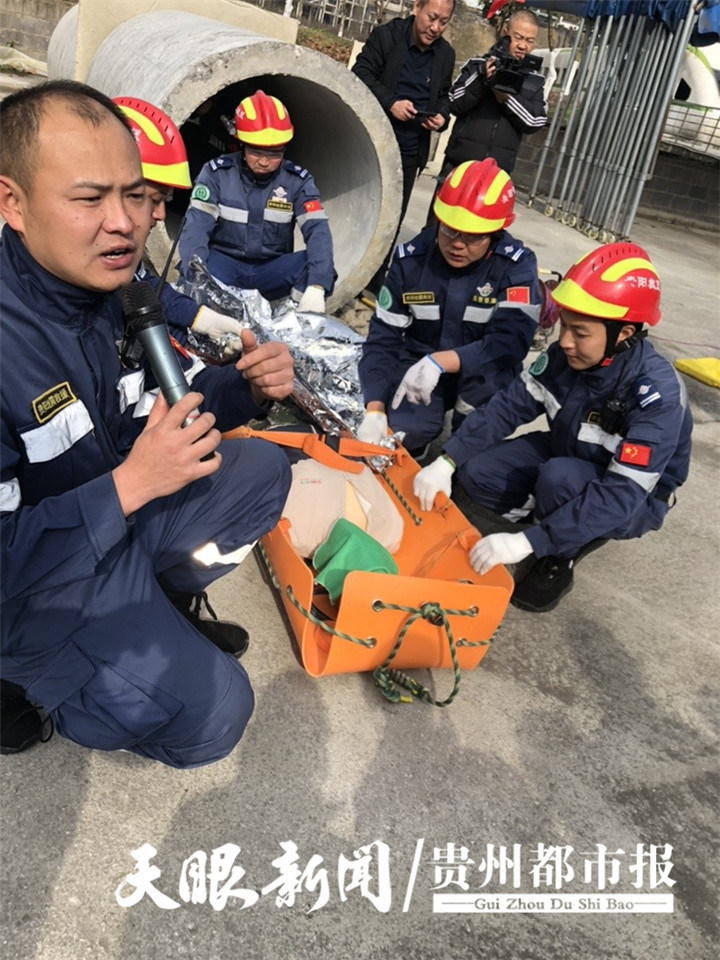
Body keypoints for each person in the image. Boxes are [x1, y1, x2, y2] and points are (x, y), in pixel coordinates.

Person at [0, 80, 295, 764]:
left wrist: (240, 391)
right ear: (12, 201)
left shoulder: (111, 294)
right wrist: (130, 487)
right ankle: (22, 678)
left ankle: (156, 605)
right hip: (31, 584)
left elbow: (156, 414)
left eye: (136, 195)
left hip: (108, 524)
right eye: (89, 198)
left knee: (261, 469)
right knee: (216, 716)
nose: (127, 221)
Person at [413, 243, 693, 613]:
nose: (564, 341)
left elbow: (623, 493)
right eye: (563, 326)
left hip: (634, 496)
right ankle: (551, 518)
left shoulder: (656, 397)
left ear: (623, 334)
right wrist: (447, 461)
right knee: (478, 473)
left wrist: (531, 541)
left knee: (559, 480)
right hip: (568, 448)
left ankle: (561, 554)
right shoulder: (563, 358)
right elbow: (507, 407)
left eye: (580, 332)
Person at [356, 158, 541, 456]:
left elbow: (510, 343)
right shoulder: (411, 260)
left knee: (475, 443)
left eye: (473, 236)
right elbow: (382, 340)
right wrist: (375, 408)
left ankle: (460, 452)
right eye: (450, 230)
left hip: (484, 371)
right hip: (419, 363)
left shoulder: (516, 267)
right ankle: (423, 436)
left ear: (495, 232)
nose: (457, 243)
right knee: (403, 432)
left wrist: (442, 361)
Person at [177, 90, 335, 313]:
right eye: (256, 152)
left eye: (274, 154)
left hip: (271, 270)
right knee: (194, 267)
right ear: (241, 145)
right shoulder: (216, 174)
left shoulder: (297, 181)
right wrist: (196, 276)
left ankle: (293, 320)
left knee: (317, 267)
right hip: (224, 265)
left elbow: (318, 231)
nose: (264, 162)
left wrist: (317, 286)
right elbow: (195, 228)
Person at [114, 96, 246, 356]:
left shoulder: (118, 260)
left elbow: (145, 288)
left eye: (165, 200)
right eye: (147, 199)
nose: (161, 214)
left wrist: (199, 319)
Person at [352, 0, 456, 289]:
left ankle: (372, 286)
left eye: (444, 22)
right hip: (372, 143)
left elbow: (445, 96)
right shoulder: (387, 37)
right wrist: (391, 103)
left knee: (390, 223)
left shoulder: (446, 55)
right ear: (416, 8)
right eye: (431, 18)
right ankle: (345, 273)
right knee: (362, 212)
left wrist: (441, 117)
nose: (435, 28)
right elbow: (360, 74)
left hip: (411, 151)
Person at [440, 9, 546, 180]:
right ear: (505, 33)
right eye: (518, 37)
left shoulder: (534, 82)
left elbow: (535, 121)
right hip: (458, 165)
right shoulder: (477, 66)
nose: (522, 45)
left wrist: (507, 99)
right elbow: (454, 102)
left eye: (529, 41)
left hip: (496, 176)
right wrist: (481, 79)